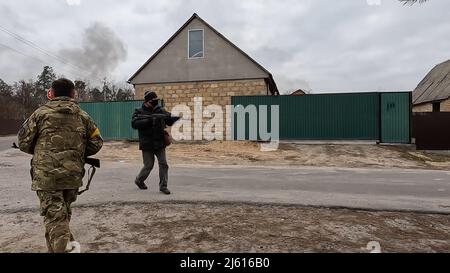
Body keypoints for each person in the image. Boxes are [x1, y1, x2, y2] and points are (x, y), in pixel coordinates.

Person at [18, 78, 103, 253]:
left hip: (46, 176)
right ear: (73, 94)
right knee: (61, 215)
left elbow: (23, 142)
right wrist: (76, 152)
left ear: (52, 93)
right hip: (72, 175)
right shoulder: (83, 116)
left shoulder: (40, 114)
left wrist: (43, 153)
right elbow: (97, 142)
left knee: (55, 218)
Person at [132, 91, 177, 195]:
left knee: (164, 164)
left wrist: (171, 118)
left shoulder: (160, 110)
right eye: (153, 101)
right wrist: (149, 121)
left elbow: (168, 121)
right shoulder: (139, 111)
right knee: (148, 166)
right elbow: (134, 124)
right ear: (147, 102)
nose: (155, 102)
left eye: (156, 100)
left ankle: (163, 186)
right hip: (147, 143)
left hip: (159, 142)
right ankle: (139, 180)